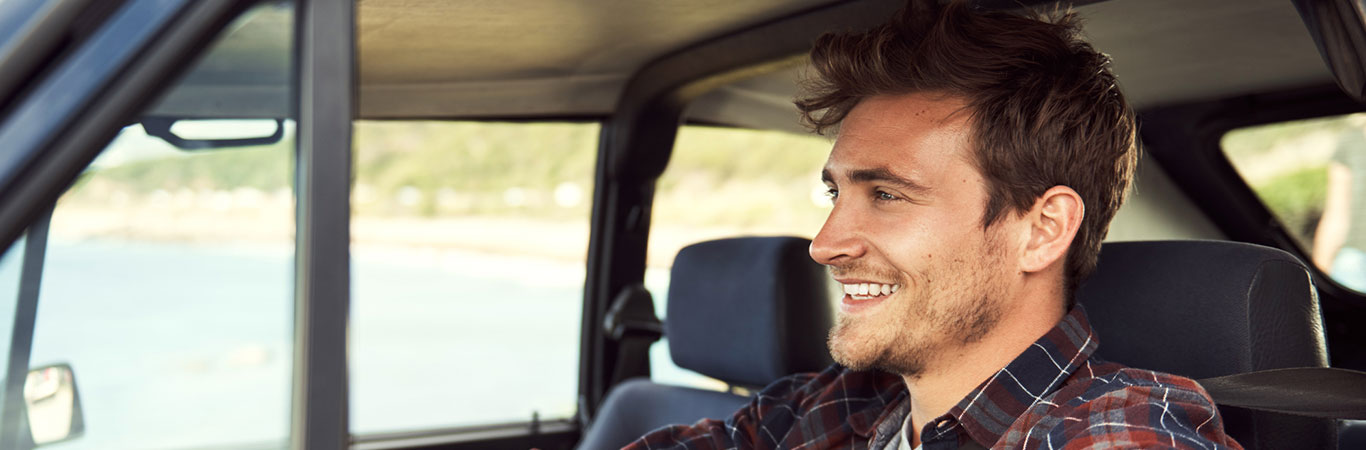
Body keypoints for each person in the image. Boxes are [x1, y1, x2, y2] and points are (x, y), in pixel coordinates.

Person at [625, 1, 1241, 449]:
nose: (824, 244)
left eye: (887, 194)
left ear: (1043, 228)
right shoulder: (822, 410)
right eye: (834, 193)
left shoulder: (1113, 429)